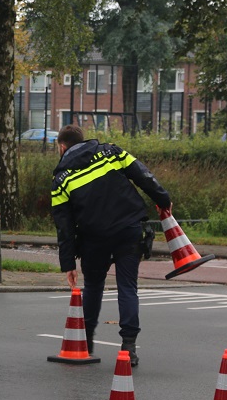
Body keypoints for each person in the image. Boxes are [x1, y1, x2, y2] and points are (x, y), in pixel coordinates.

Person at [50, 124, 172, 366]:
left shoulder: (60, 179)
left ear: (62, 147)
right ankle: (129, 347)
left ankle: (86, 343)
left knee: (94, 286)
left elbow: (64, 226)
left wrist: (68, 264)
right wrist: (163, 200)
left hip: (94, 238)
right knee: (127, 286)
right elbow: (143, 175)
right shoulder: (111, 152)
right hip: (128, 229)